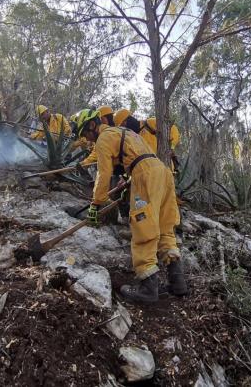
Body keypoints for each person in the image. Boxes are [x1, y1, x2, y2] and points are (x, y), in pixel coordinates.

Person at [76, 108, 188, 303]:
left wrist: (95, 204)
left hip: (145, 175)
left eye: (85, 134)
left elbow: (103, 175)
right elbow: (139, 157)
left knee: (143, 227)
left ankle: (148, 289)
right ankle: (178, 282)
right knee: (165, 228)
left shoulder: (103, 139)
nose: (87, 140)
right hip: (162, 172)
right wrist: (129, 178)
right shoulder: (126, 132)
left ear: (92, 125)